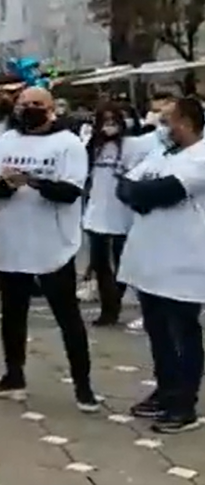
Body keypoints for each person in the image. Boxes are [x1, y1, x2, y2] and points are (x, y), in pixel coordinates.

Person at [0, 87, 98, 412]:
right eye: (24, 104)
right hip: (12, 238)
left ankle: (83, 385)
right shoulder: (5, 141)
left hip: (53, 242)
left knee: (67, 316)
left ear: (50, 108)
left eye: (36, 104)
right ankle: (13, 376)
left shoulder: (68, 144)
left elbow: (70, 191)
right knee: (12, 313)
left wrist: (32, 181)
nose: (28, 109)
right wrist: (6, 185)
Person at [116, 96, 205, 433]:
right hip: (149, 258)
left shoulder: (201, 157)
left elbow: (162, 192)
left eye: (168, 121)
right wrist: (138, 193)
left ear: (187, 122)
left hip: (184, 261)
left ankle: (184, 404)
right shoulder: (163, 153)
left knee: (183, 332)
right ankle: (165, 390)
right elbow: (125, 186)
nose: (162, 127)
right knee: (158, 332)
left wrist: (141, 194)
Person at [82, 102, 157, 326]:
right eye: (105, 122)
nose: (109, 126)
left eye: (113, 121)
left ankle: (116, 299)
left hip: (124, 215)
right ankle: (109, 309)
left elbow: (160, 138)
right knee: (100, 264)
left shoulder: (133, 145)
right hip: (96, 214)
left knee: (123, 264)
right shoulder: (92, 148)